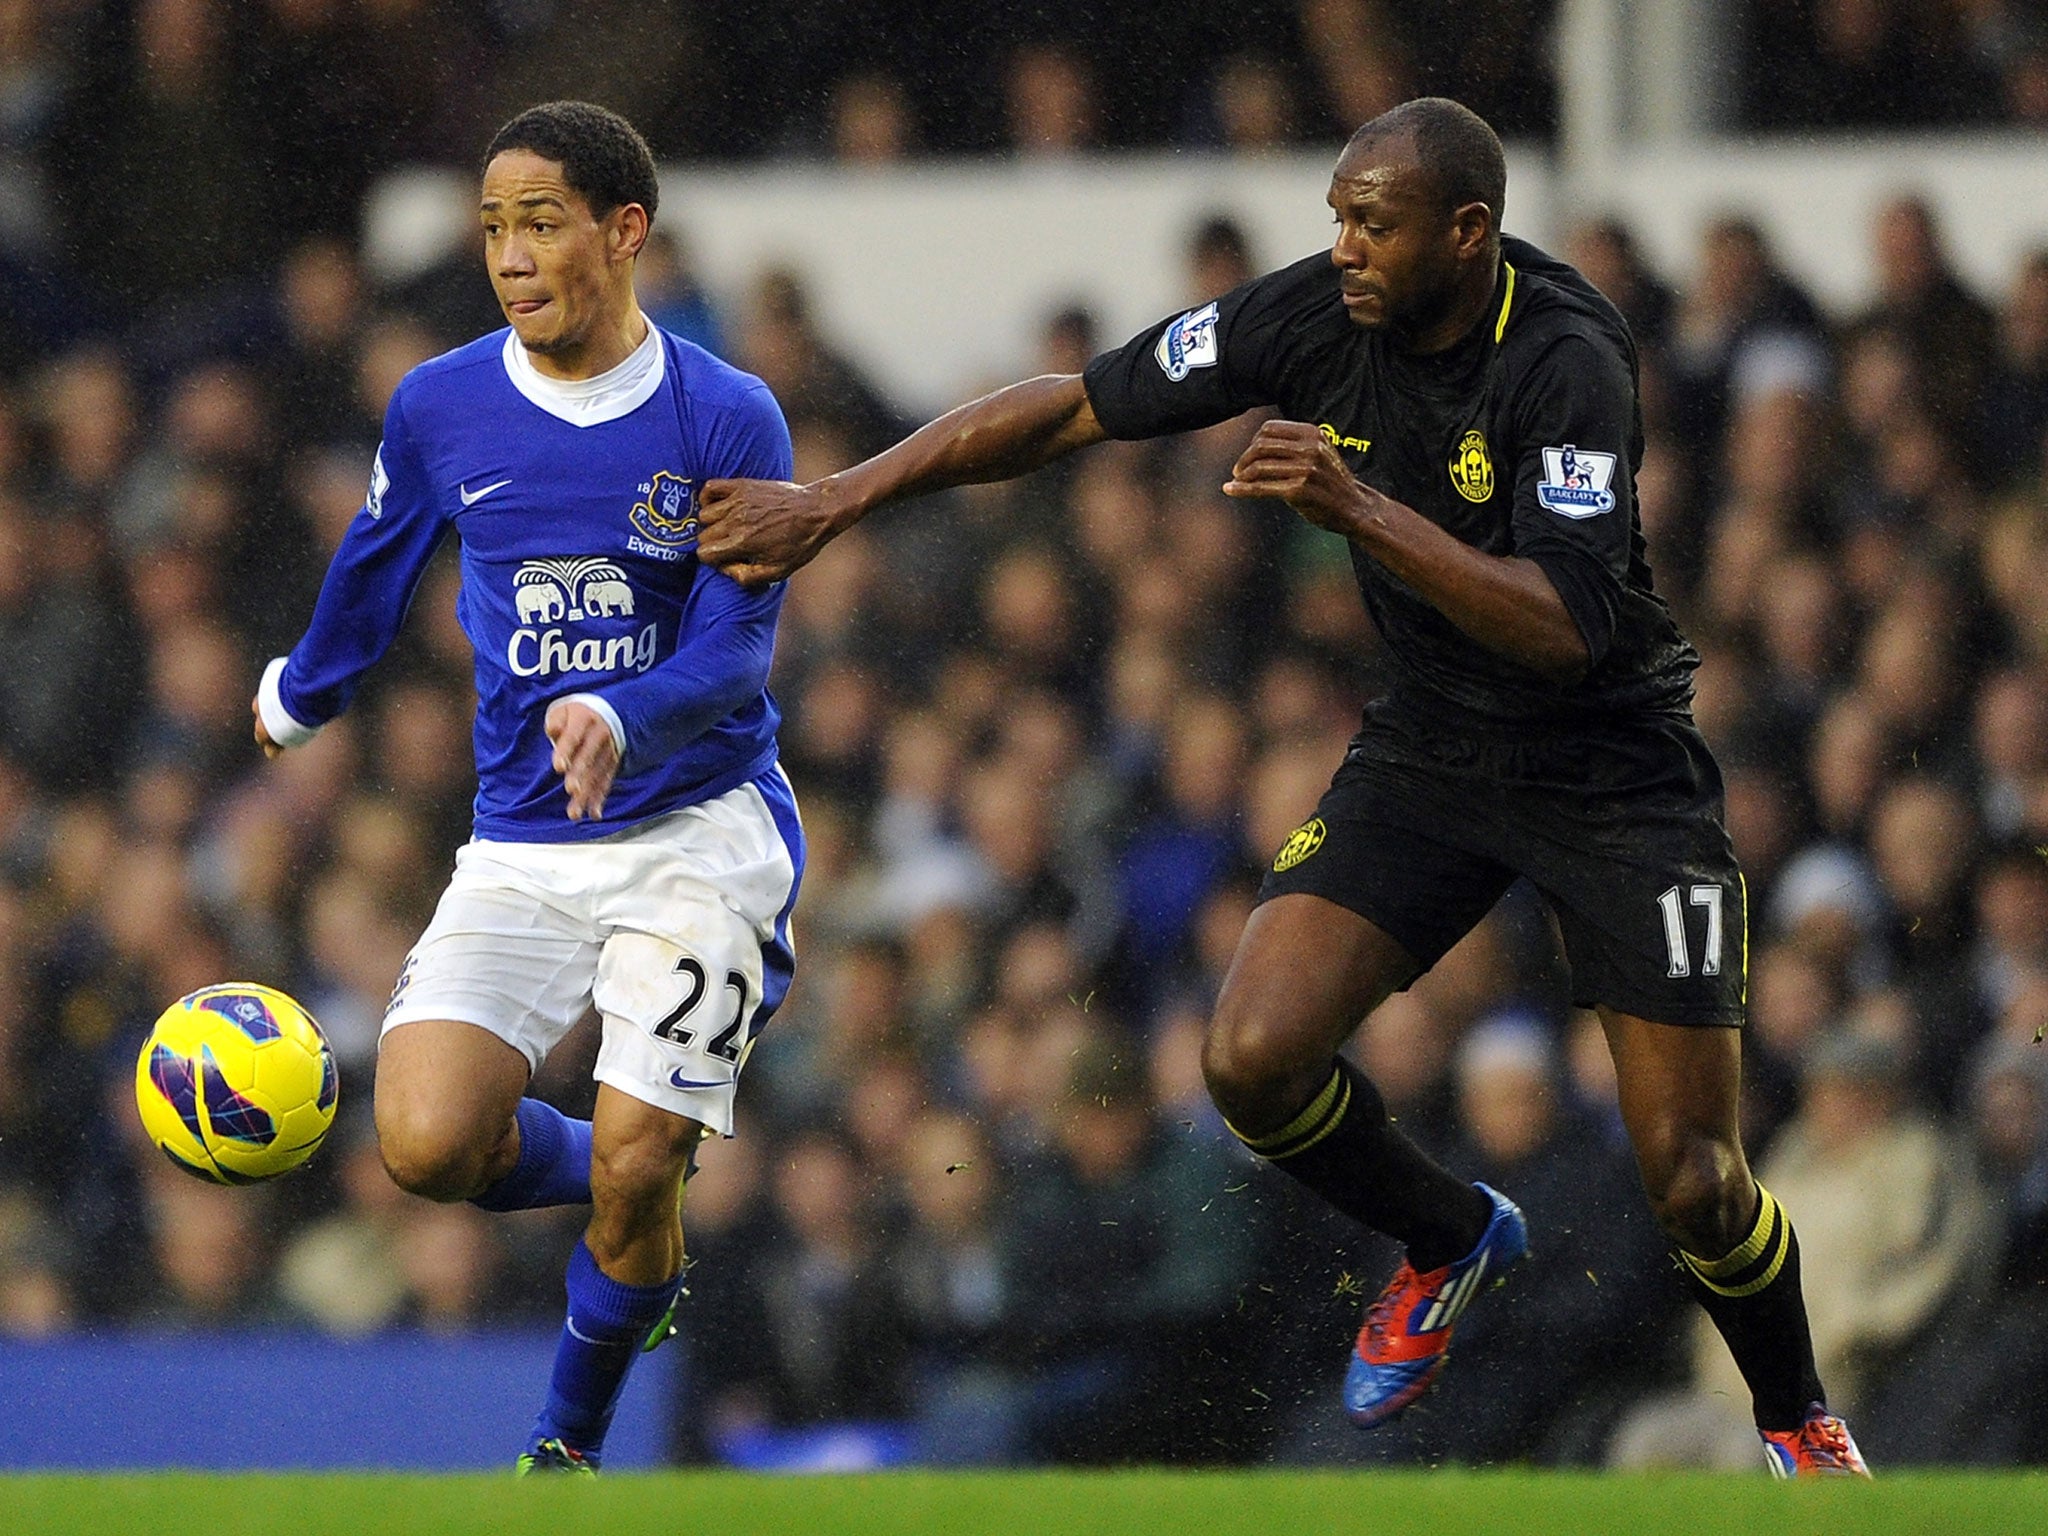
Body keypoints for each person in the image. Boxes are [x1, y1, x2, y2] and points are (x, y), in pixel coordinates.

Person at [694, 96, 1867, 1476]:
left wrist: (1361, 508)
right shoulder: (1309, 316)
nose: (1345, 246)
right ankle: (1445, 1234)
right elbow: (1070, 407)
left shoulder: (1565, 358)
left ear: (1468, 231)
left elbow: (1569, 626)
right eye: (1336, 216)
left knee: (1696, 1181)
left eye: (1372, 223)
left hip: (1613, 773)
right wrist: (837, 499)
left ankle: (1800, 1417)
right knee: (1249, 1058)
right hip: (1435, 750)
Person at [251, 101, 804, 1475]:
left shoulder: (722, 412)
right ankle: (651, 1158)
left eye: (541, 221)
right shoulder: (442, 402)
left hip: (698, 835)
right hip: (521, 840)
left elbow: (739, 652)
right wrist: (303, 690)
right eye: (494, 226)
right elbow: (376, 562)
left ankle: (562, 1452)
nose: (510, 254)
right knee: (427, 1144)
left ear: (624, 233)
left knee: (628, 1164)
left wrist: (626, 708)